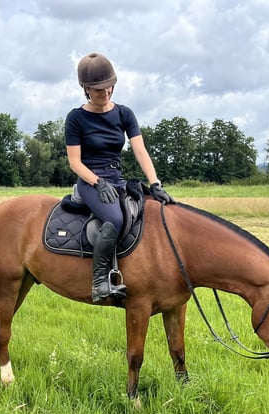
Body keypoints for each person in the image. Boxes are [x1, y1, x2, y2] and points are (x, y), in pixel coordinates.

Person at [65, 52, 174, 303]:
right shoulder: (76, 118)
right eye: (98, 90)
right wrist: (97, 182)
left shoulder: (124, 113)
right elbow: (74, 162)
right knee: (114, 217)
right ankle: (100, 282)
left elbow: (140, 150)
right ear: (85, 89)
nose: (105, 94)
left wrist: (155, 183)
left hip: (117, 179)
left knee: (151, 210)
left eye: (109, 87)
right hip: (91, 181)